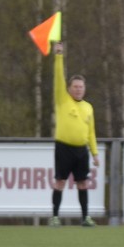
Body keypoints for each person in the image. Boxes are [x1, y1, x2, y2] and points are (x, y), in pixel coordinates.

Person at [49, 41, 99, 227]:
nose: (78, 89)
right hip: (64, 148)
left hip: (81, 150)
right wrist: (59, 56)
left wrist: (95, 153)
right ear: (69, 88)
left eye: (81, 87)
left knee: (83, 183)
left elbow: (91, 132)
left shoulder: (88, 107)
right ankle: (55, 217)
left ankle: (85, 217)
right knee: (60, 182)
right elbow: (58, 78)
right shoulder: (63, 100)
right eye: (75, 86)